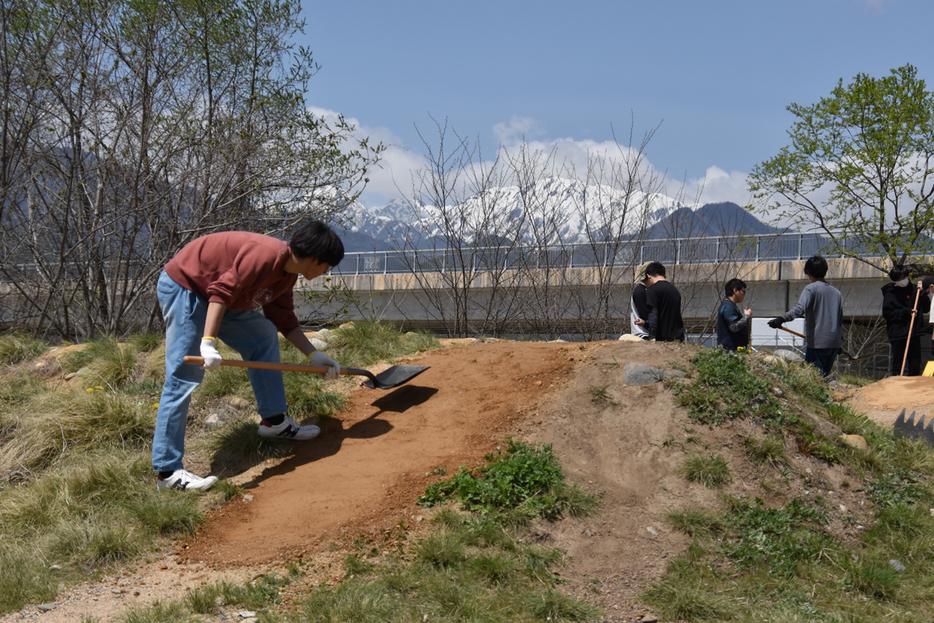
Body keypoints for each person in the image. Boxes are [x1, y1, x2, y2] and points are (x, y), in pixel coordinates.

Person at [153, 221, 344, 492]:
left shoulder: (287, 274)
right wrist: (207, 343)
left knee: (263, 334)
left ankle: (274, 422)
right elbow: (221, 291)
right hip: (188, 288)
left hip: (220, 297)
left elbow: (283, 319)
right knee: (183, 376)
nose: (327, 272)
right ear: (314, 259)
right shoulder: (265, 255)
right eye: (328, 266)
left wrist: (314, 354)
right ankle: (167, 473)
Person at [767, 255, 843, 378]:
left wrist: (781, 319)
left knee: (812, 378)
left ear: (808, 273)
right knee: (824, 377)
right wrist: (840, 342)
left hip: (817, 343)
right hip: (834, 343)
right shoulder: (837, 293)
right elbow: (839, 320)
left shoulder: (810, 289)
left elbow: (799, 309)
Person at [881, 265, 930, 376]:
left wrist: (922, 293)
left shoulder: (915, 290)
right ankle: (896, 387)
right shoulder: (890, 293)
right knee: (897, 365)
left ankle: (912, 390)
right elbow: (887, 313)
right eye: (897, 280)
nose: (900, 281)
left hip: (914, 332)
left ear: (907, 276)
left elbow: (926, 309)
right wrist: (906, 312)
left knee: (915, 365)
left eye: (902, 278)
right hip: (898, 333)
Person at [643, 262, 685, 342]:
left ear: (649, 276)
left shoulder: (652, 290)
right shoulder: (674, 290)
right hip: (678, 337)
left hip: (662, 338)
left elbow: (653, 313)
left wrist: (652, 336)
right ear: (664, 275)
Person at [717, 278, 751, 351]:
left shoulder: (730, 306)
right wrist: (747, 316)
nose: (744, 295)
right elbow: (734, 327)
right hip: (730, 351)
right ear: (735, 290)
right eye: (743, 292)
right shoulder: (728, 307)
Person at [629, 261, 652, 340]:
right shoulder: (640, 291)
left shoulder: (647, 291)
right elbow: (645, 317)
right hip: (643, 335)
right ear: (649, 276)